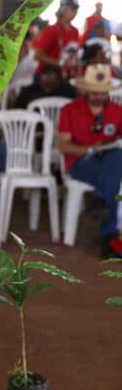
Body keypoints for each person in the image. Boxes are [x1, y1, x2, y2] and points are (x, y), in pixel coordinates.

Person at [57, 64, 122, 258]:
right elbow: (64, 146)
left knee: (117, 158)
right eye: (94, 92)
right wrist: (90, 149)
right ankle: (110, 238)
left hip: (110, 161)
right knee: (115, 175)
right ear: (85, 90)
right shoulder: (70, 110)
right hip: (80, 162)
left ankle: (100, 200)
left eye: (103, 92)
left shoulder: (117, 111)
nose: (99, 96)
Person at [32, 0, 80, 79]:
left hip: (66, 76)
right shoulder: (51, 30)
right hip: (48, 79)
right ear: (63, 9)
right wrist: (61, 63)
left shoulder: (75, 31)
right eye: (72, 9)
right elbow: (37, 56)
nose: (75, 12)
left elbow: (74, 54)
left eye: (76, 9)